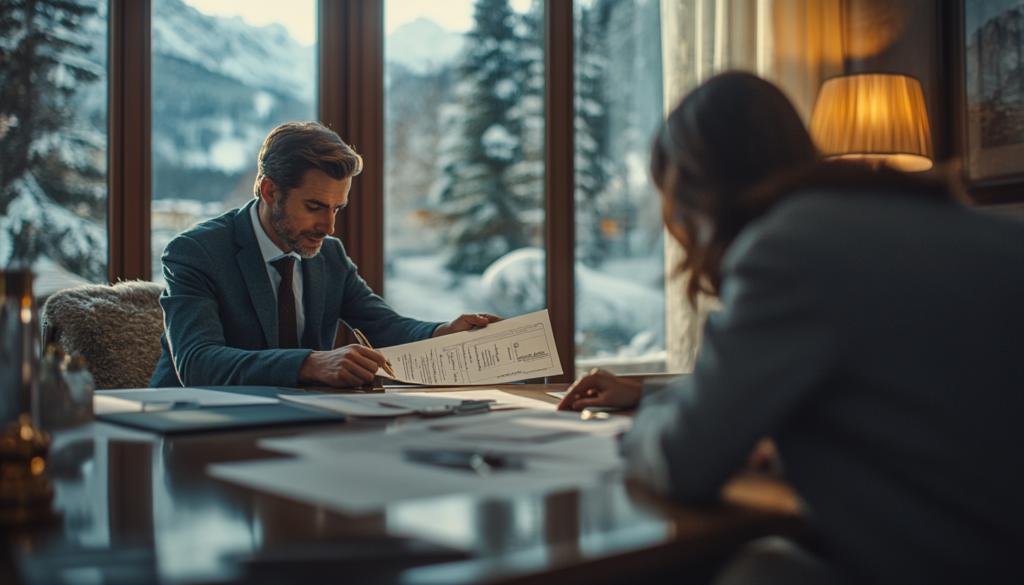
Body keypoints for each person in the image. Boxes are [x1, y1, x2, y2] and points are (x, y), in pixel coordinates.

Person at [558, 72, 1024, 584]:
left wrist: (631, 433)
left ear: (695, 192)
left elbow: (683, 462)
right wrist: (652, 393)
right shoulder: (974, 227)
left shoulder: (790, 245)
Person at [150, 121, 500, 388]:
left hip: (299, 427)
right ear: (270, 190)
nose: (329, 226)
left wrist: (442, 332)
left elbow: (384, 325)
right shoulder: (196, 252)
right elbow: (198, 363)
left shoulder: (329, 254)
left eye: (337, 208)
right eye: (315, 206)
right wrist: (311, 364)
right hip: (192, 429)